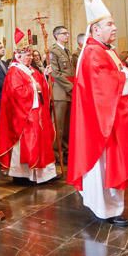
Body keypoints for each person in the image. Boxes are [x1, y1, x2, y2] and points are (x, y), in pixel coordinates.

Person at [68, 0, 128, 227]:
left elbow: (116, 75)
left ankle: (111, 206)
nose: (114, 28)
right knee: (102, 165)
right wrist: (123, 77)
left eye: (113, 23)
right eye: (109, 24)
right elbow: (101, 85)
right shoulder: (92, 52)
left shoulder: (108, 50)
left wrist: (124, 75)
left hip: (114, 118)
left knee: (113, 162)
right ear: (95, 30)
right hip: (101, 123)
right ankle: (104, 209)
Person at [0, 29, 56, 184]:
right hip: (23, 115)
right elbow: (16, 92)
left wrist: (45, 77)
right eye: (27, 55)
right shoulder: (14, 71)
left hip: (37, 111)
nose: (30, 58)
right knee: (26, 143)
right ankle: (23, 174)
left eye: (30, 55)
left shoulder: (32, 70)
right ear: (18, 56)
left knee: (40, 141)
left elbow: (41, 86)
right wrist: (33, 88)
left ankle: (43, 174)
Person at [49, 26, 74, 162]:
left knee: (67, 125)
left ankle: (66, 150)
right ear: (57, 35)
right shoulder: (53, 51)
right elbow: (55, 73)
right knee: (58, 125)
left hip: (69, 92)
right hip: (60, 92)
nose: (67, 35)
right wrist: (71, 87)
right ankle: (56, 153)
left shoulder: (67, 51)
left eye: (67, 33)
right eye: (64, 33)